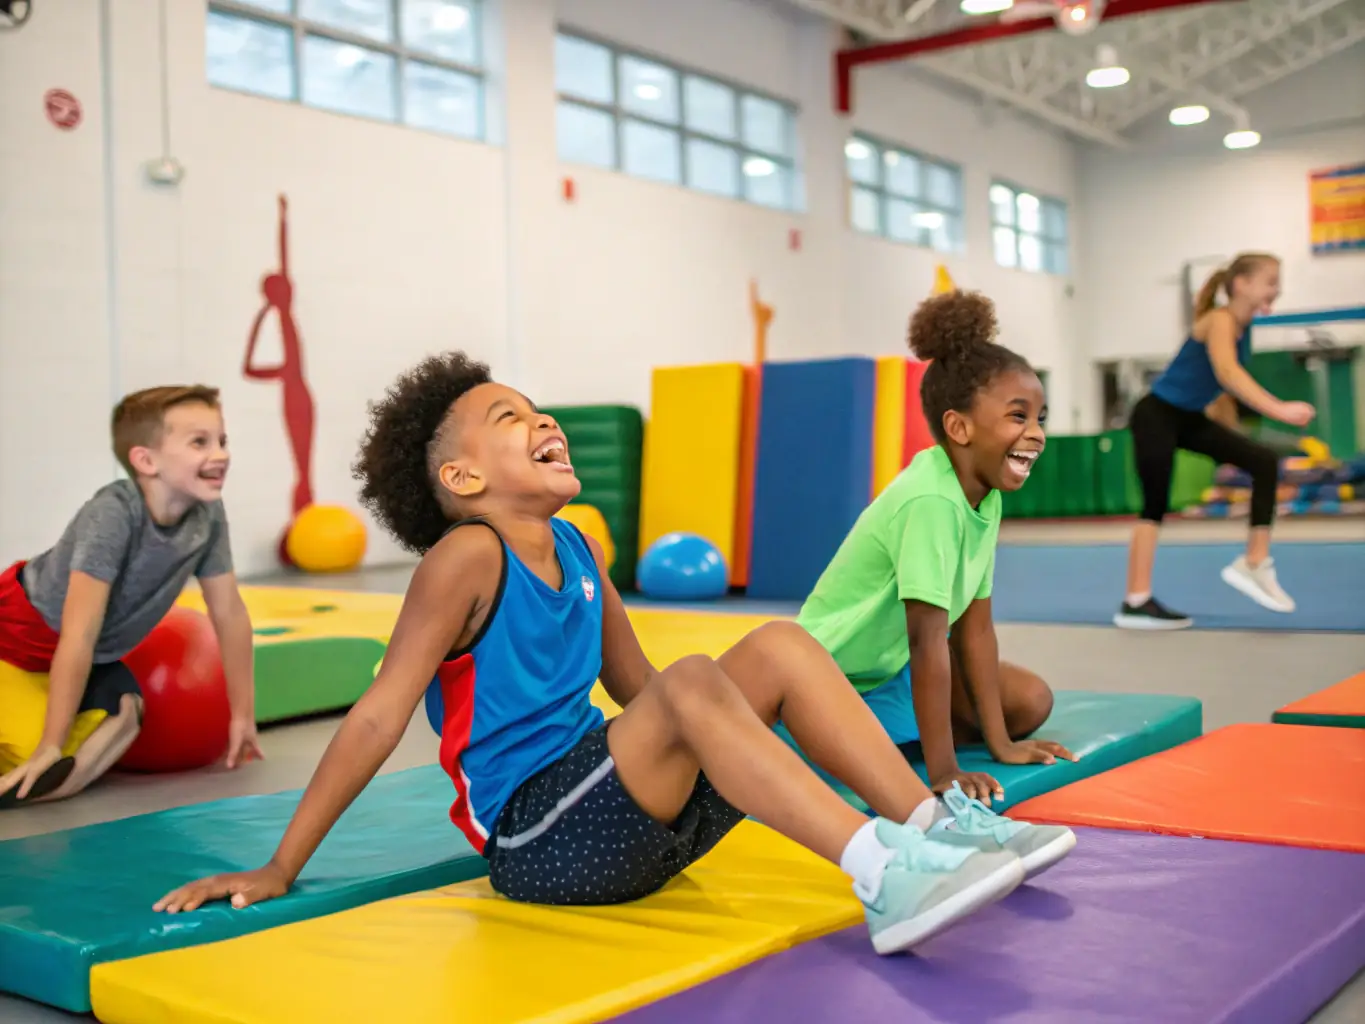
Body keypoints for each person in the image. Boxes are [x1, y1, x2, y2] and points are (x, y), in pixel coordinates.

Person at [154, 352, 1075, 956]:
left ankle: (932, 829)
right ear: (463, 477)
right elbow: (376, 717)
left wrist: (739, 716)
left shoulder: (578, 549)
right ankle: (880, 873)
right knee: (697, 679)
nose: (542, 421)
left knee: (780, 646)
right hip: (540, 841)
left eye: (538, 410)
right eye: (509, 417)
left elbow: (642, 691)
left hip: (630, 820)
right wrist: (280, 866)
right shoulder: (465, 556)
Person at [797, 290, 1079, 821]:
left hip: (892, 673)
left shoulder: (985, 495)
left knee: (1030, 700)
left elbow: (975, 629)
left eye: (1040, 417)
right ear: (959, 428)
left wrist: (1001, 744)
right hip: (832, 681)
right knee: (858, 742)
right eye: (1018, 417)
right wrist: (944, 770)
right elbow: (927, 640)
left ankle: (896, 735)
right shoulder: (931, 499)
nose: (1037, 434)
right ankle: (830, 736)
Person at [0, 386, 262, 807]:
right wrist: (50, 743)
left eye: (222, 440)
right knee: (41, 746)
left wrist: (242, 714)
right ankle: (44, 764)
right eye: (200, 442)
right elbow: (78, 634)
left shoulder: (207, 516)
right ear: (146, 460)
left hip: (83, 661)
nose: (221, 455)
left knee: (126, 713)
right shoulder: (113, 514)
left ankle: (47, 778)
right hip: (14, 648)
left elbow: (229, 613)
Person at [1115, 252, 1315, 630]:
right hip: (1156, 414)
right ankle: (1135, 601)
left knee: (1263, 461)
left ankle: (1254, 562)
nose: (1277, 290)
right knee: (1154, 505)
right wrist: (1280, 409)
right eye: (1271, 282)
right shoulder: (1220, 320)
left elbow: (1217, 390)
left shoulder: (1244, 328)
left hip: (1189, 417)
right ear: (1241, 284)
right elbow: (1226, 373)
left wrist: (1231, 439)